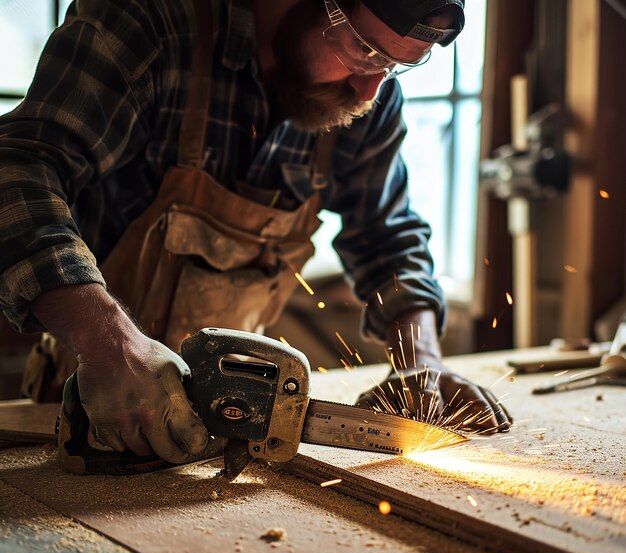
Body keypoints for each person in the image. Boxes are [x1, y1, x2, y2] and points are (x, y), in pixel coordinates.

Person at [0, 0, 511, 467]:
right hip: (94, 407)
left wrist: (419, 362)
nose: (370, 89)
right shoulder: (148, 23)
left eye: (394, 66)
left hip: (231, 422)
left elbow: (388, 238)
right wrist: (108, 342)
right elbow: (17, 168)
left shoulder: (362, 93)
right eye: (364, 48)